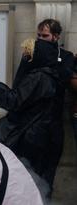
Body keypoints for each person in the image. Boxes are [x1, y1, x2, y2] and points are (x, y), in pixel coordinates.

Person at [0, 38, 60, 192]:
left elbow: (14, 101)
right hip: (40, 134)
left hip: (29, 136)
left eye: (28, 54)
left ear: (37, 55)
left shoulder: (38, 77)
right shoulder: (49, 75)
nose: (25, 58)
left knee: (25, 180)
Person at [36, 19, 74, 193]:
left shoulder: (65, 56)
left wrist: (49, 58)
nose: (40, 39)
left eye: (45, 36)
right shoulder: (31, 55)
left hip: (54, 121)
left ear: (56, 37)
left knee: (49, 171)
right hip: (33, 122)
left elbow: (64, 78)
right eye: (38, 36)